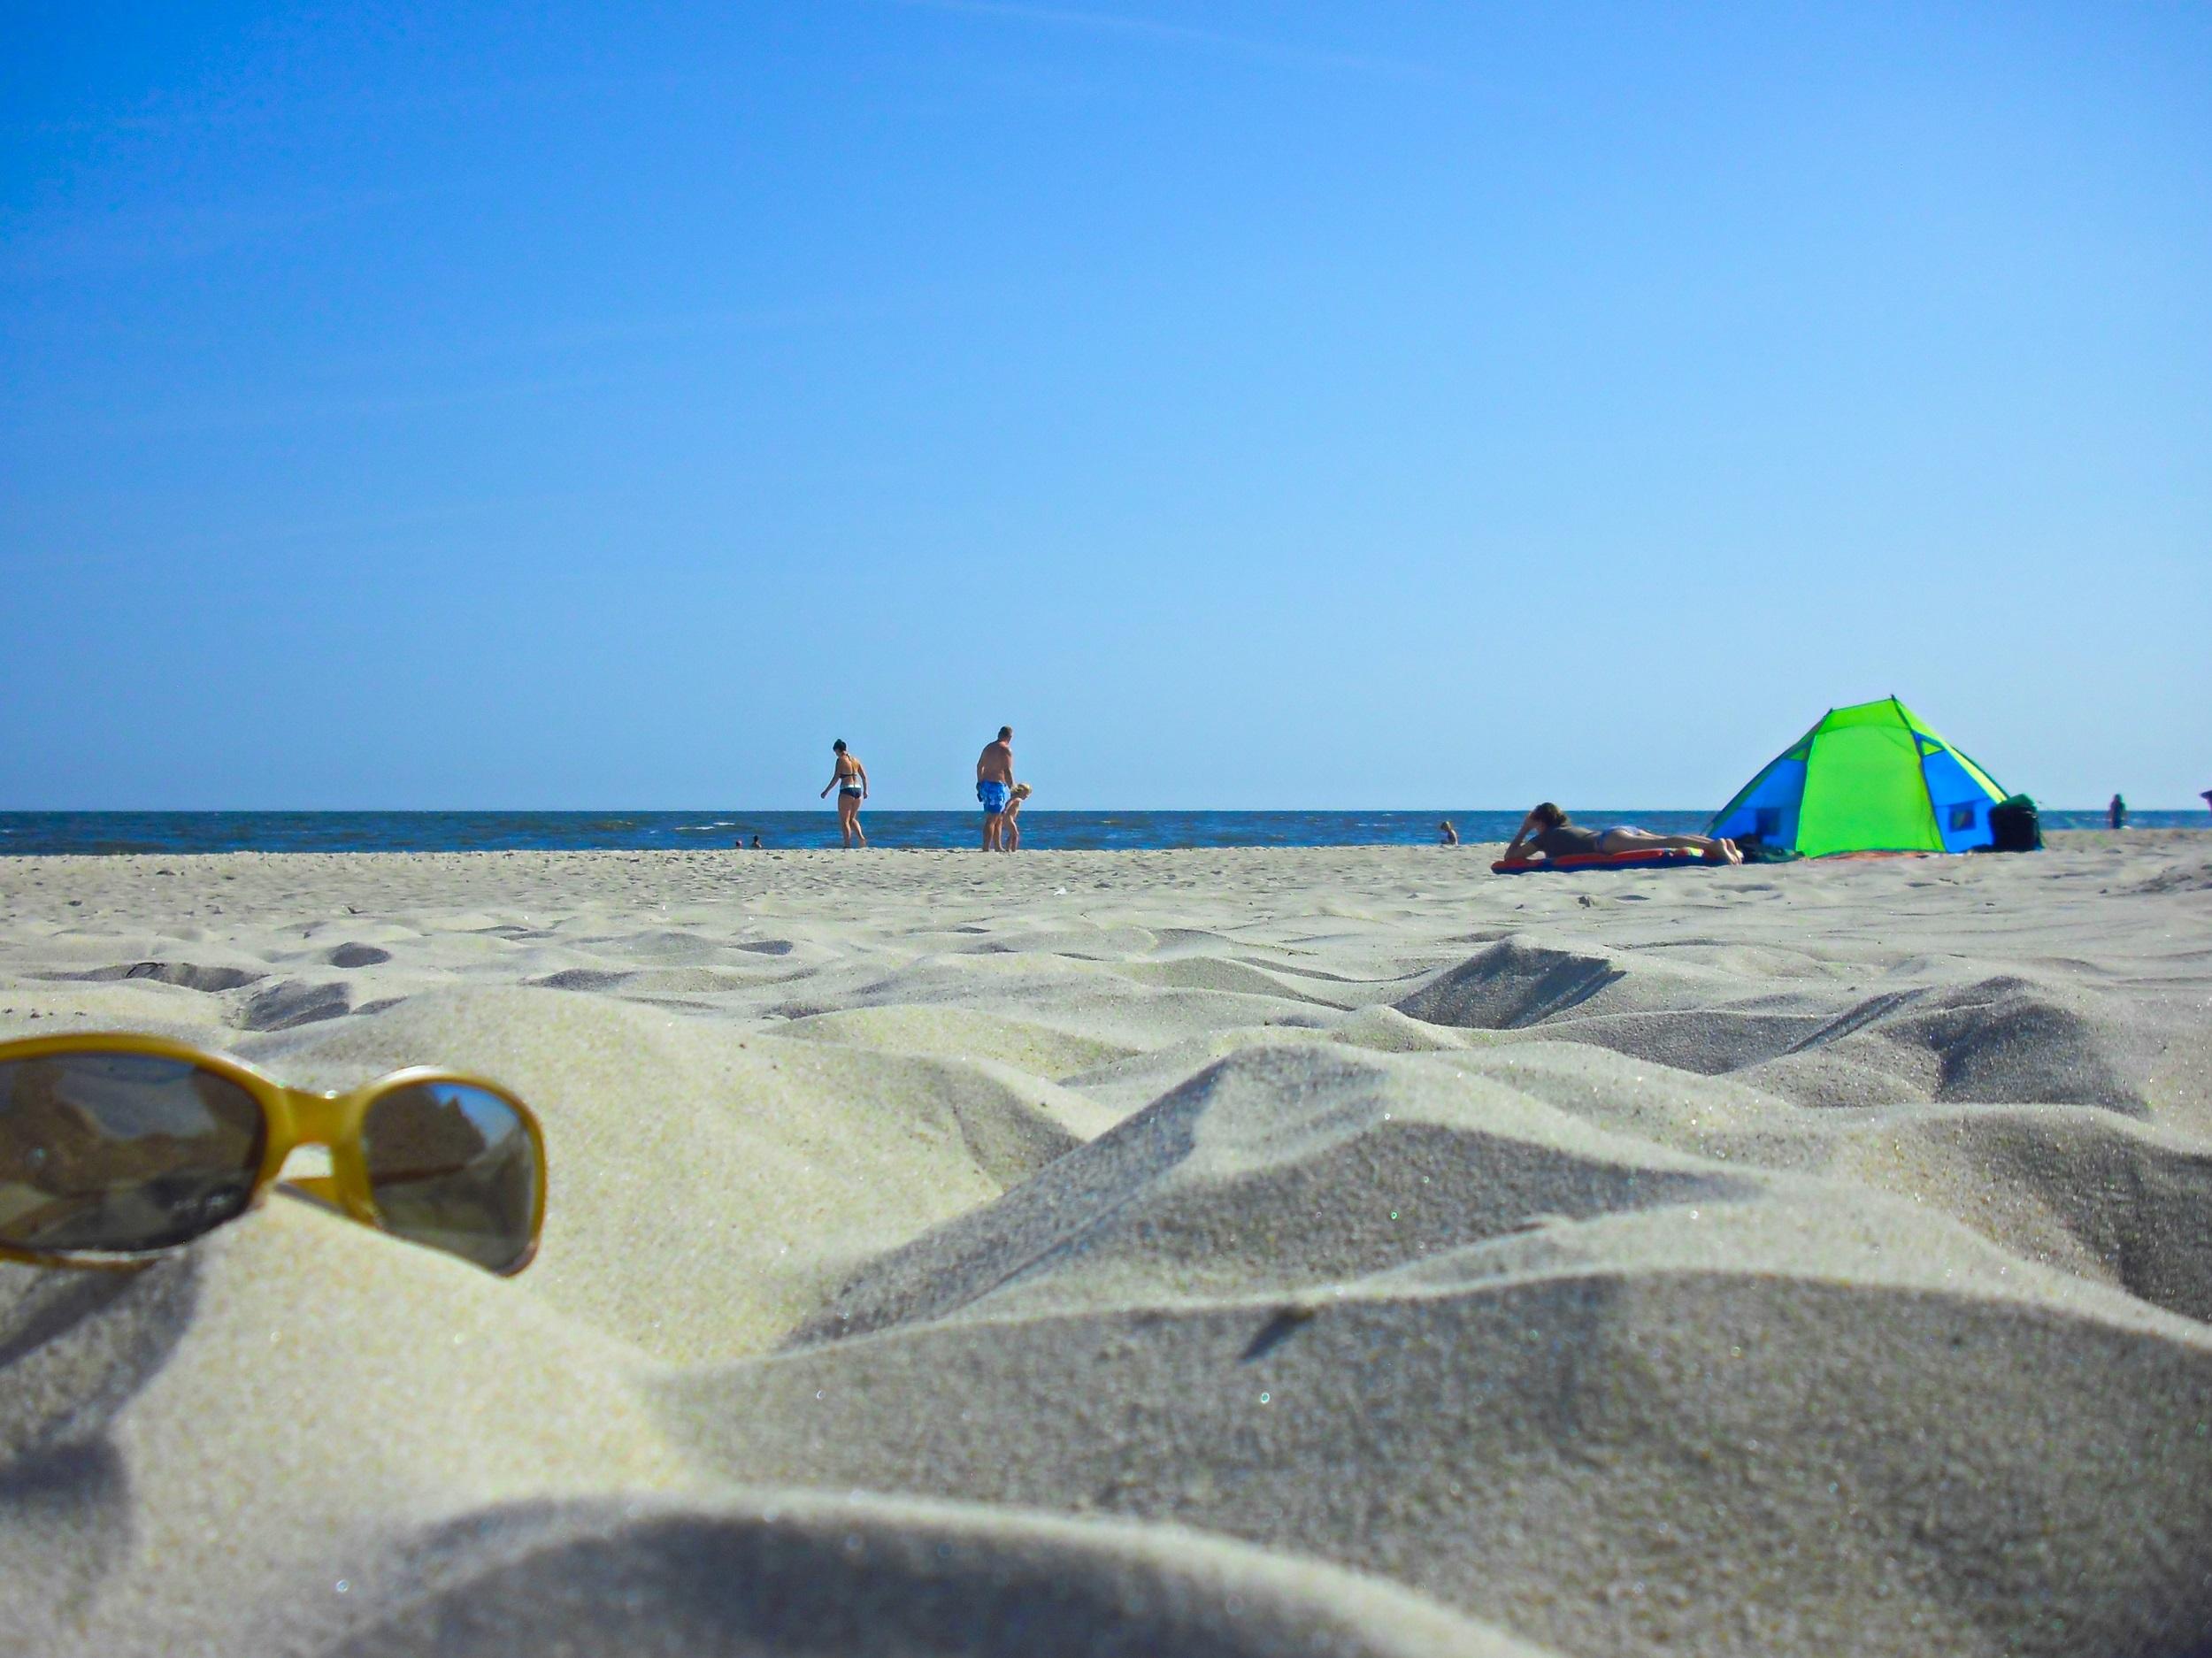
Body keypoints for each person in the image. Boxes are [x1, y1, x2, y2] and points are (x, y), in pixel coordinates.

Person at [1504, 802, 1742, 865]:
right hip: (1618, 831)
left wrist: (1524, 829)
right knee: (1665, 839)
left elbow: (1511, 857)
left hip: (1606, 841)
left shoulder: (1544, 837)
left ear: (1540, 821)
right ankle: (1717, 843)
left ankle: (1715, 846)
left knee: (1666, 841)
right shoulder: (1564, 829)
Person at [820, 739, 869, 848]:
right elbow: (864, 777)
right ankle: (861, 838)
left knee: (845, 820)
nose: (836, 755)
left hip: (847, 790)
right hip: (858, 789)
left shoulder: (841, 760)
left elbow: (836, 777)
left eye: (835, 752)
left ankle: (847, 845)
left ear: (838, 750)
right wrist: (865, 791)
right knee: (852, 819)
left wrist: (826, 791)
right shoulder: (856, 760)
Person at [976, 725, 1016, 851]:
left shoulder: (988, 747)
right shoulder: (1005, 749)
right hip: (996, 785)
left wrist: (980, 781)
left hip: (986, 784)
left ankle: (998, 846)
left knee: (998, 817)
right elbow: (1007, 770)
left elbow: (979, 766)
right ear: (1009, 737)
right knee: (992, 818)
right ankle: (986, 847)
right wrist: (1013, 788)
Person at [1003, 782, 1033, 850]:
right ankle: (1014, 849)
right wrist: (1005, 809)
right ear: (1021, 792)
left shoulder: (1015, 798)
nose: (1027, 796)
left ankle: (1008, 848)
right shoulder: (1017, 799)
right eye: (1026, 794)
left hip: (1009, 818)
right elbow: (1010, 802)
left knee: (1012, 834)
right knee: (1016, 834)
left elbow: (1009, 802)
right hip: (1009, 818)